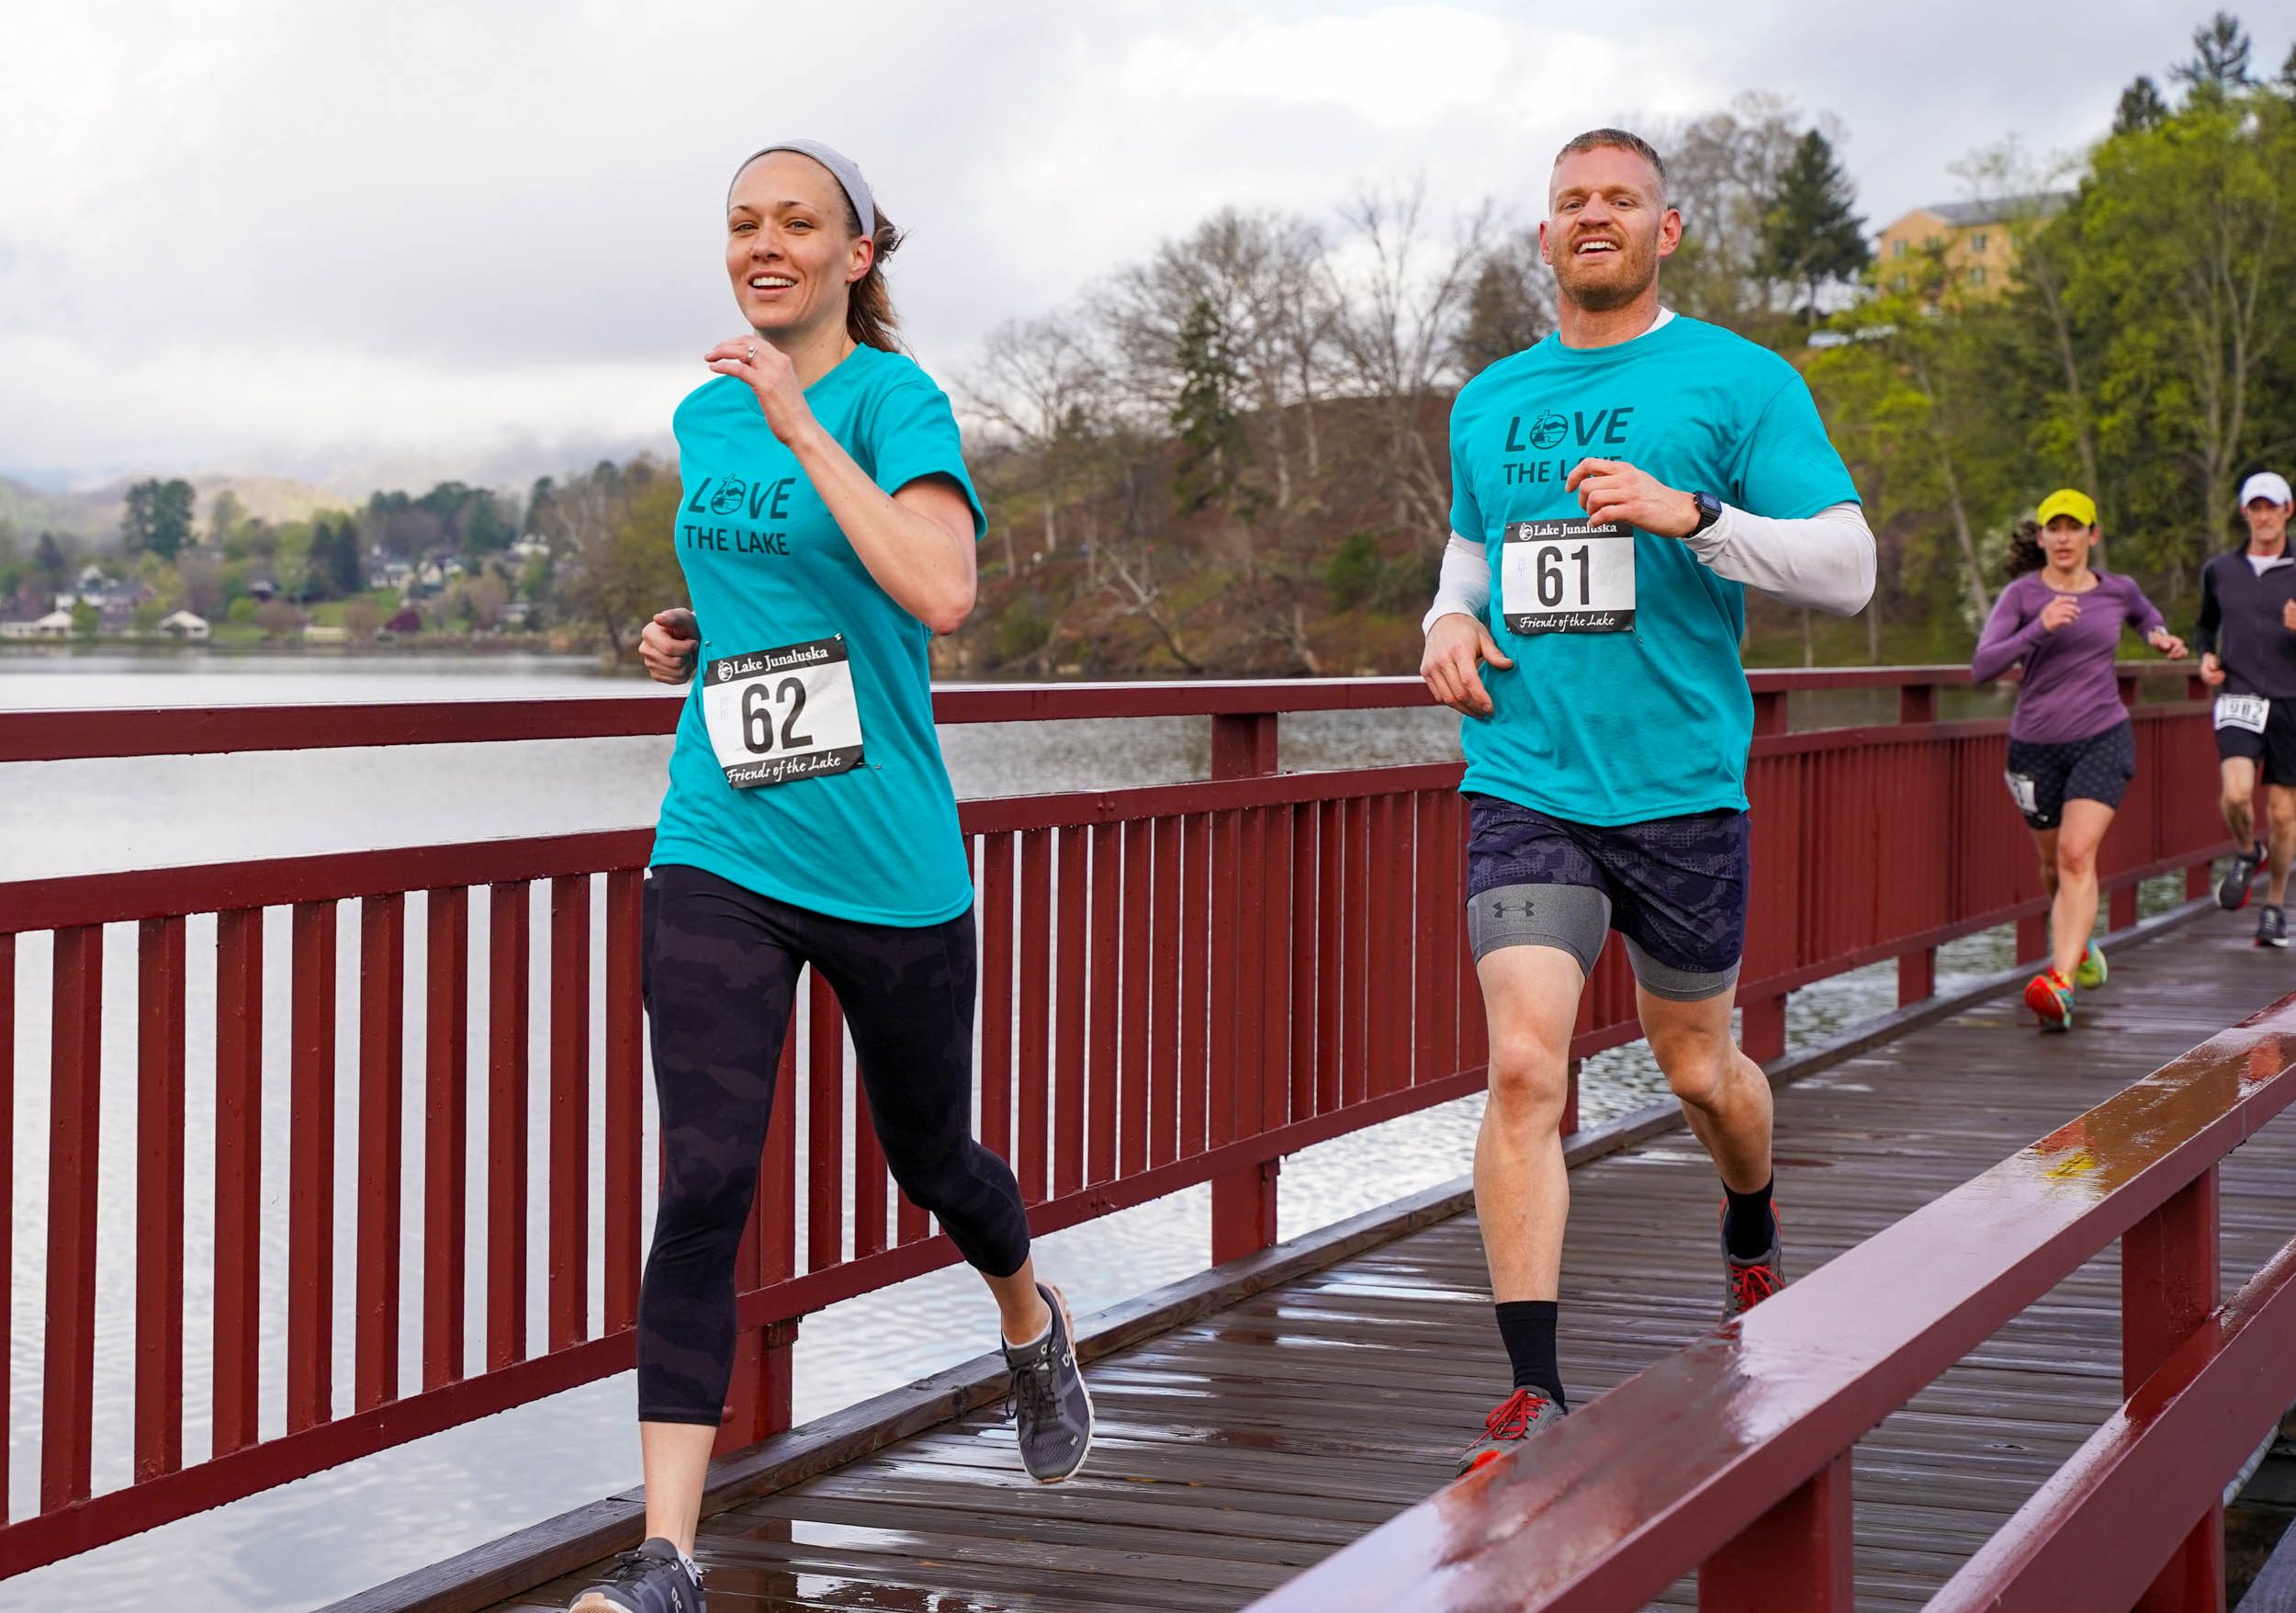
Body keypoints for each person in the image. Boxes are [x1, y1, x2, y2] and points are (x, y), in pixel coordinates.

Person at [571, 141, 1091, 1613]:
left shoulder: (888, 401)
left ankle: (1028, 1317)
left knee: (933, 1161)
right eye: (742, 224)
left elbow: (938, 588)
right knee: (704, 1176)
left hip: (886, 861)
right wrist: (693, 631)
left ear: (859, 254)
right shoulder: (700, 410)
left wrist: (802, 422)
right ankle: (668, 1551)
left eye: (797, 222)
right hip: (723, 837)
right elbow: (786, 586)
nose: (764, 243)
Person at [1418, 129, 1874, 1476]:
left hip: (1679, 792)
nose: (1594, 218)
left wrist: (1691, 517)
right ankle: (1533, 1392)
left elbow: (1846, 568)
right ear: (1543, 239)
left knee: (1699, 1070)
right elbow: (1465, 552)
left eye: (1621, 200)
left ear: (1667, 229)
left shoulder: (1740, 380)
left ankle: (1750, 1219)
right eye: (1571, 203)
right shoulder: (1489, 400)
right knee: (1521, 1065)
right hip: (1525, 775)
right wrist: (1444, 621)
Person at [1971, 493, 2187, 1031]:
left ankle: (2061, 982)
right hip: (2034, 747)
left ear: (2093, 535)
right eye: (2054, 529)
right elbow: (1983, 666)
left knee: (2074, 854)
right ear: (2041, 538)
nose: (2064, 538)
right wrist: (2039, 627)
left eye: (2075, 528)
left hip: (2102, 736)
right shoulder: (2022, 595)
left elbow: (2143, 614)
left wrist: (2158, 635)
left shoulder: (2118, 590)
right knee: (2054, 867)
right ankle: (2080, 943)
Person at [2195, 470, 2296, 947]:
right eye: (2255, 508)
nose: (2263, 516)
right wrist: (2206, 658)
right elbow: (2204, 626)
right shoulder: (2221, 570)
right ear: (2244, 513)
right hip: (2239, 694)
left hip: (2292, 702)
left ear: (2287, 511)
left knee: (2281, 815)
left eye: (2271, 507)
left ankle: (2274, 905)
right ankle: (2244, 849)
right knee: (2236, 795)